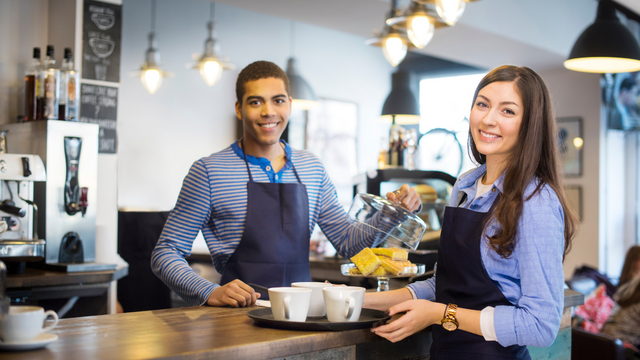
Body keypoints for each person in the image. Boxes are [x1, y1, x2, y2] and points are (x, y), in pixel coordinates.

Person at [151, 61, 421, 308]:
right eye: (255, 102)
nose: (268, 112)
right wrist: (208, 291)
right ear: (239, 108)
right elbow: (165, 253)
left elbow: (349, 245)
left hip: (303, 314)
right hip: (236, 316)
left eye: (277, 101)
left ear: (289, 105)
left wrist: (390, 212)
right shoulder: (209, 171)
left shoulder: (311, 168)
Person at [363, 65, 579, 360]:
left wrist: (440, 314)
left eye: (507, 111)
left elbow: (541, 325)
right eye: (482, 104)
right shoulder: (465, 186)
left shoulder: (535, 200)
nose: (488, 119)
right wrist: (359, 300)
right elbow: (445, 285)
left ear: (530, 124)